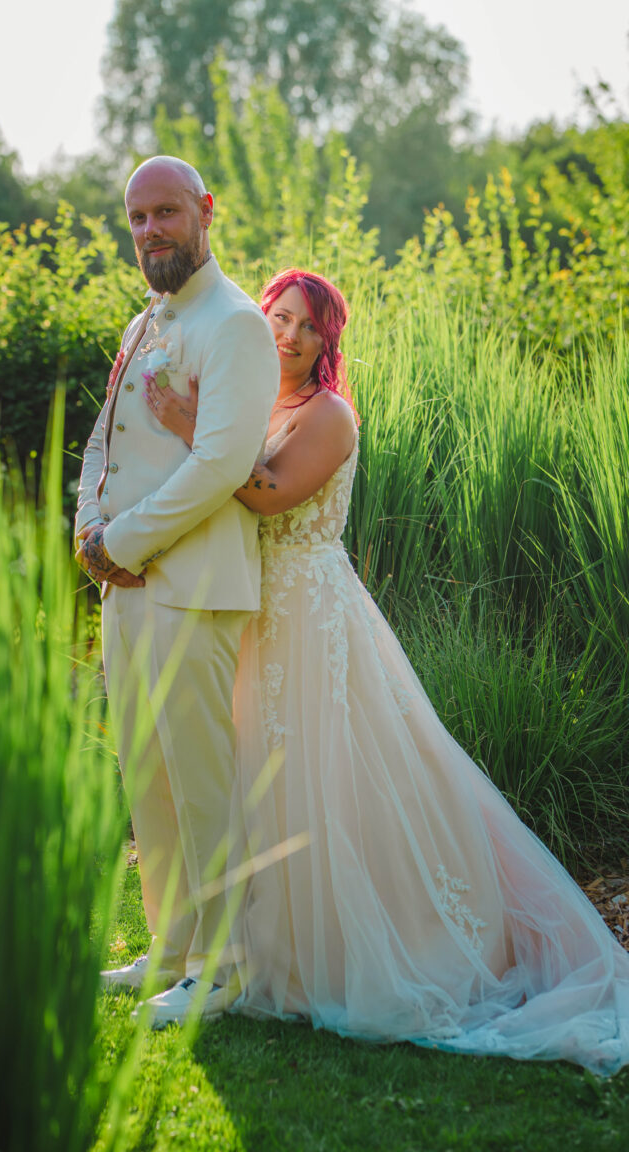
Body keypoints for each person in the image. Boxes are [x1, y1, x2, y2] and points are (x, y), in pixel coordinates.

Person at [142, 267, 629, 1075]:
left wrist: (189, 423)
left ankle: (370, 949)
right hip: (249, 608)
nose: (290, 335)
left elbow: (268, 492)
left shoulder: (328, 414)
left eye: (309, 326)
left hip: (308, 612)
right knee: (249, 770)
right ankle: (239, 949)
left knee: (327, 776)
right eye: (280, 317)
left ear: (328, 342)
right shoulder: (255, 403)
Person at [75, 156, 279, 1027]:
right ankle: (169, 950)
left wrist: (122, 542)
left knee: (200, 783)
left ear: (205, 211)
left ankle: (223, 970)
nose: (150, 230)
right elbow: (101, 442)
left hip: (194, 588)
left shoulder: (235, 324)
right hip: (126, 587)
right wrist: (88, 532)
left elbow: (222, 464)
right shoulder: (144, 321)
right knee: (149, 780)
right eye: (137, 218)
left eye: (165, 212)